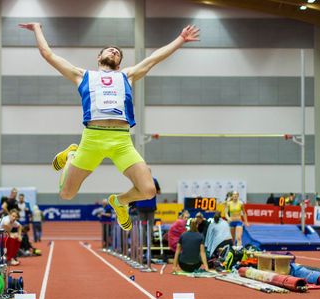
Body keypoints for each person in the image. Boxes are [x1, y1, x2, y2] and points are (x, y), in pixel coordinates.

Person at [19, 22, 199, 231]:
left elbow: (154, 59)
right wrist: (38, 28)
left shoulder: (127, 76)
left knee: (148, 190)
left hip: (121, 141)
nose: (114, 51)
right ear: (99, 57)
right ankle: (71, 155)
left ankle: (119, 201)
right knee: (66, 194)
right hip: (92, 140)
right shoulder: (82, 75)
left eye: (117, 53)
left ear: (119, 63)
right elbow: (47, 54)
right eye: (109, 50)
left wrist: (181, 39)